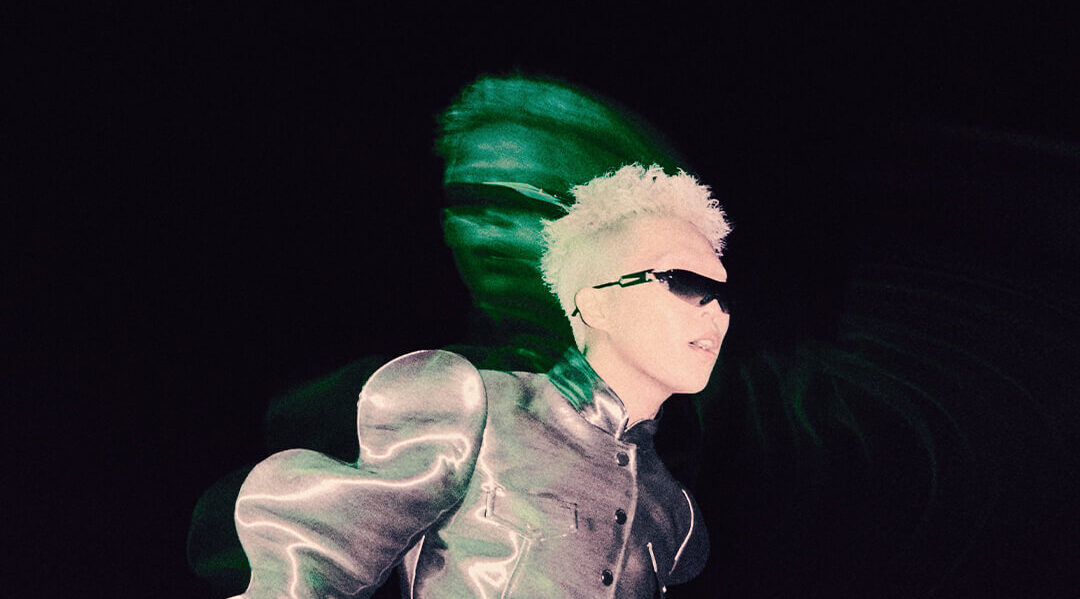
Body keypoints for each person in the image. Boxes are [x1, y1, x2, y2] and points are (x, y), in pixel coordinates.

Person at [231, 163, 733, 598]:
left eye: (723, 295)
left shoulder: (677, 515)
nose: (715, 313)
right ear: (597, 304)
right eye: (686, 283)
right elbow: (313, 566)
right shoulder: (471, 407)